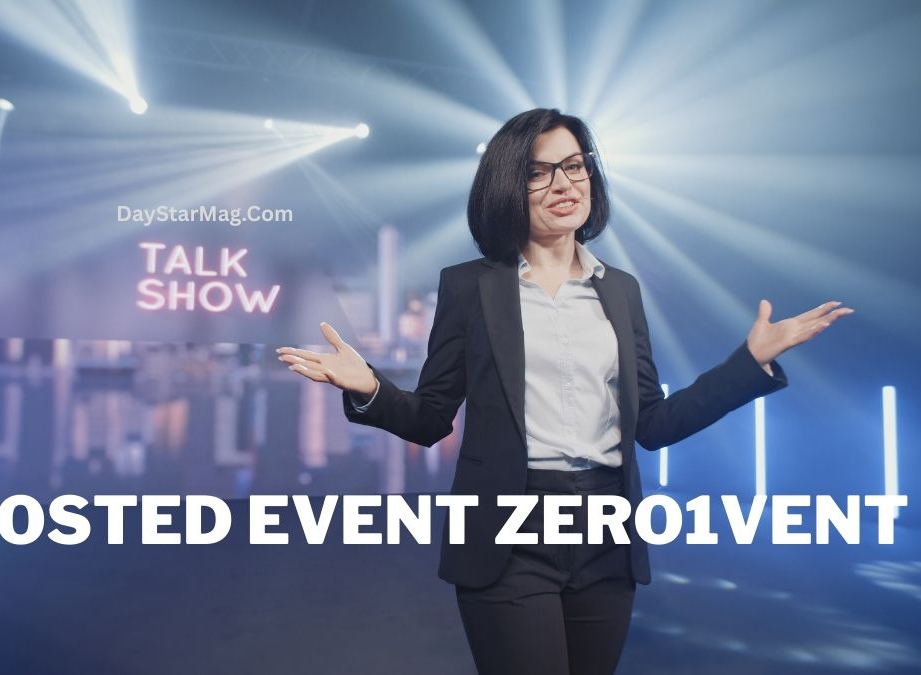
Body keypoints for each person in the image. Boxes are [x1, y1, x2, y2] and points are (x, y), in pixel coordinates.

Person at [276, 108, 852, 675]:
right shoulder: (469, 286)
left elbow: (652, 424)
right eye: (539, 172)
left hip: (607, 527)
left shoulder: (621, 292)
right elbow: (431, 419)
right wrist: (369, 386)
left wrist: (747, 364)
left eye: (575, 167)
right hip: (510, 530)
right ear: (508, 187)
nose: (564, 184)